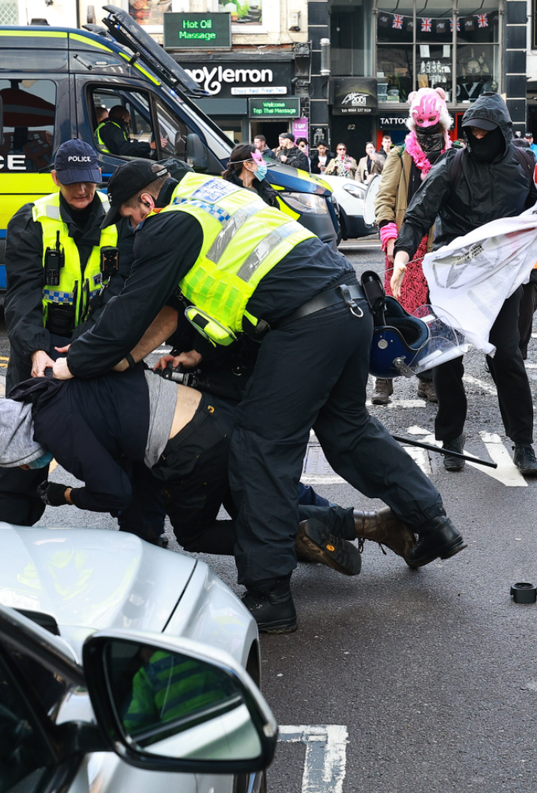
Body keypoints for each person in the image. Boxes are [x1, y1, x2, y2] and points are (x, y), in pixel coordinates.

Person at [50, 159, 467, 633]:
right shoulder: (215, 193)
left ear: (146, 200)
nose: (131, 224)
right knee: (348, 430)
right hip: (348, 305)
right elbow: (240, 284)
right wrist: (199, 354)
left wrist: (76, 362)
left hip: (304, 324)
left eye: (128, 214)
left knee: (261, 448)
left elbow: (133, 309)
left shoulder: (169, 222)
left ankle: (269, 595)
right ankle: (433, 524)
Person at [0, 368, 417, 575]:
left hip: (190, 451)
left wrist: (66, 495)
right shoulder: (55, 388)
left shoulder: (56, 429)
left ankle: (300, 533)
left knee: (197, 535)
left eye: (21, 460)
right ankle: (375, 525)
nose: (30, 466)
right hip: (216, 417)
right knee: (259, 500)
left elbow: (115, 493)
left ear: (21, 443)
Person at [0, 139, 164, 538]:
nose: (82, 191)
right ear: (55, 178)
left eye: (88, 182)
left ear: (98, 177)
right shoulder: (31, 220)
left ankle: (143, 533)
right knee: (23, 435)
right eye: (72, 183)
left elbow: (123, 290)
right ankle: (10, 530)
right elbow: (22, 295)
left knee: (129, 433)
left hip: (101, 340)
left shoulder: (121, 216)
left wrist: (87, 347)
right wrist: (35, 348)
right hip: (39, 344)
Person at [393, 92, 537, 478]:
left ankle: (523, 444)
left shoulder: (525, 164)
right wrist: (403, 256)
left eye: (485, 132)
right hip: (455, 279)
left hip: (502, 279)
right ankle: (451, 441)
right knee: (448, 359)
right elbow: (418, 213)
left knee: (507, 357)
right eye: (470, 131)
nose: (477, 138)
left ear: (503, 133)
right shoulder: (453, 164)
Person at [373, 87, 453, 407]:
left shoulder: (454, 155)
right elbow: (384, 200)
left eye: (433, 127)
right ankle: (383, 378)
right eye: (421, 128)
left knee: (432, 316)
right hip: (404, 247)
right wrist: (390, 237)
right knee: (394, 313)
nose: (427, 134)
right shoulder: (399, 155)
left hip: (438, 248)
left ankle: (427, 379)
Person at [221, 142, 279, 208]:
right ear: (247, 164)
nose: (263, 164)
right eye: (259, 160)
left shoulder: (265, 188)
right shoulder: (228, 193)